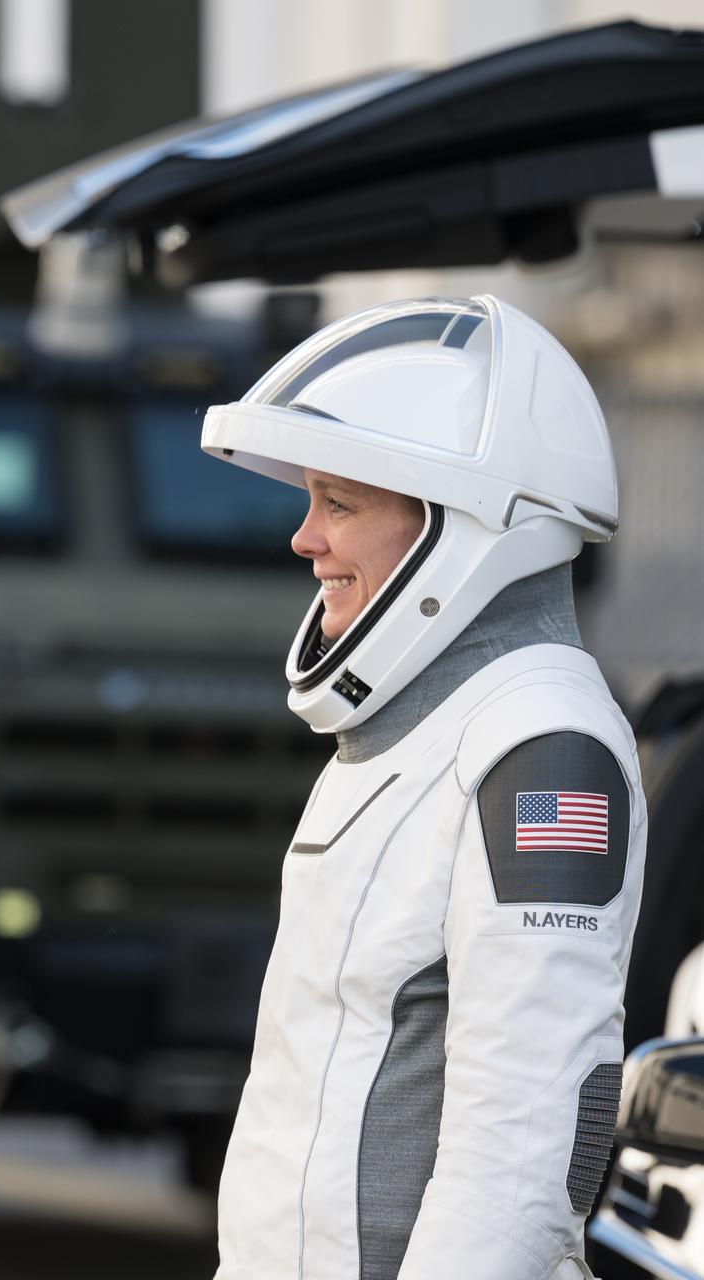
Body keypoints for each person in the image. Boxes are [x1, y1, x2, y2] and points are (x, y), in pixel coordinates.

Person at [201, 295, 646, 1280]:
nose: (304, 539)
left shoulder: (541, 742)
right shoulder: (416, 729)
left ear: (465, 523)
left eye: (340, 502)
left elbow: (522, 1153)